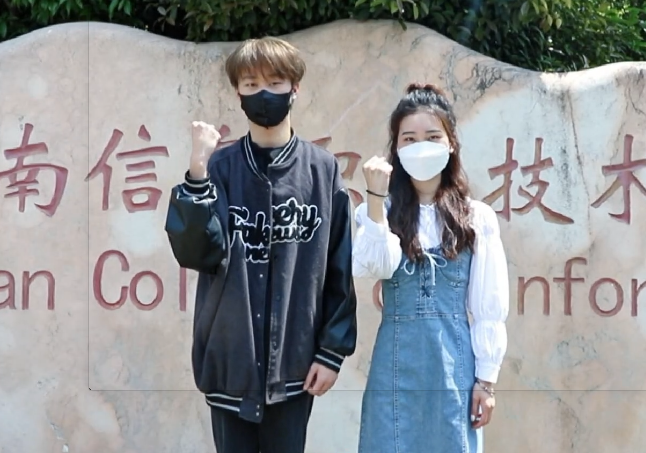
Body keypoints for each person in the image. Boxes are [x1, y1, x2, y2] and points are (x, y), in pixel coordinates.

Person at [164, 36, 357, 453]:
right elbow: (196, 253)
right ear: (238, 93)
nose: (263, 93)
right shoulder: (220, 167)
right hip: (229, 362)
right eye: (251, 84)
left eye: (274, 83)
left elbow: (338, 265)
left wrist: (331, 352)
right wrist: (197, 172)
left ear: (294, 88)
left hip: (295, 364)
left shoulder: (322, 170)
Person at [353, 83, 509, 453]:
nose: (420, 146)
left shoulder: (476, 217)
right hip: (394, 367)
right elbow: (375, 265)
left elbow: (488, 307)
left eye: (432, 136)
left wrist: (486, 382)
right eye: (409, 138)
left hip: (454, 368)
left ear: (451, 143)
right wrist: (375, 199)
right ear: (396, 148)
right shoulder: (379, 212)